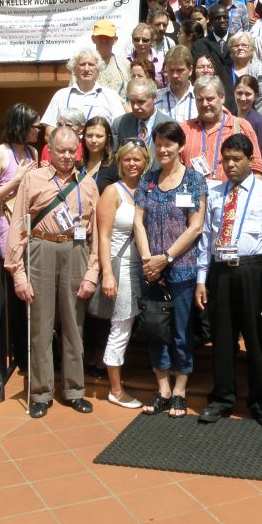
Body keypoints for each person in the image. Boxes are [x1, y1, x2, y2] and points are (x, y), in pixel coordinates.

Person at [5, 126, 101, 418]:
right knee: (41, 326)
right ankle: (40, 393)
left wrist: (92, 273)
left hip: (77, 251)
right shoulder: (33, 179)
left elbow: (97, 233)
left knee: (74, 326)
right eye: (62, 150)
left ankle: (74, 390)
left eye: (73, 151)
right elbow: (19, 227)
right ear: (51, 149)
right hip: (41, 249)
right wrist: (18, 273)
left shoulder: (88, 184)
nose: (67, 156)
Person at [195, 134, 262, 425]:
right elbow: (206, 238)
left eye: (236, 159)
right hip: (221, 272)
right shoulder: (215, 192)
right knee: (222, 338)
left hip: (252, 271)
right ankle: (221, 398)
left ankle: (261, 401)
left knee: (256, 338)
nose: (229, 165)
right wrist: (201, 280)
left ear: (250, 160)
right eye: (225, 159)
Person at [132, 121, 209, 418]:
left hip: (182, 269)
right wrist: (148, 259)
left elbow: (196, 226)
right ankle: (162, 387)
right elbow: (139, 221)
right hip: (151, 269)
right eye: (158, 143)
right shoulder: (148, 180)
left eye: (169, 144)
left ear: (180, 146)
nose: (163, 149)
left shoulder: (193, 180)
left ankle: (180, 390)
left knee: (180, 331)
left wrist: (166, 257)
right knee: (155, 330)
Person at [0, 103, 40, 375]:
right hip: (9, 227)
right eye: (34, 126)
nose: (38, 130)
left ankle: (34, 353)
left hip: (32, 227)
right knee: (16, 293)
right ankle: (22, 359)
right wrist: (15, 180)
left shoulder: (33, 152)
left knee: (33, 291)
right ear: (22, 125)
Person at [96, 140, 151, 409]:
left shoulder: (148, 189)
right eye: (127, 159)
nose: (132, 164)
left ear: (145, 162)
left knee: (132, 324)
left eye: (137, 159)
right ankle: (115, 390)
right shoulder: (112, 192)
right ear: (120, 162)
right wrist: (107, 273)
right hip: (122, 268)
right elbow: (103, 237)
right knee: (121, 326)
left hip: (143, 268)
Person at [180, 75, 262, 182]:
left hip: (232, 196)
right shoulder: (184, 129)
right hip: (194, 196)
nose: (205, 104)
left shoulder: (241, 127)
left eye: (210, 99)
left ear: (222, 97)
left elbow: (256, 170)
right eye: (200, 100)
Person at [41, 47, 127, 127]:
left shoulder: (111, 96)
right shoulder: (61, 95)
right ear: (74, 69)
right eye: (82, 64)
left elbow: (119, 128)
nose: (86, 69)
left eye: (91, 64)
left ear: (98, 69)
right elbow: (49, 129)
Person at [156, 46, 199, 122]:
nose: (174, 75)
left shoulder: (200, 97)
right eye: (171, 70)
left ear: (190, 70)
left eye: (179, 70)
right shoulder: (156, 98)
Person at [233, 74, 262, 162]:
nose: (243, 98)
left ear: (255, 96)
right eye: (239, 93)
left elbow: (261, 155)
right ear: (234, 92)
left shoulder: (259, 122)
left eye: (248, 94)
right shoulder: (230, 117)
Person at [79, 116, 117, 192]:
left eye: (99, 136)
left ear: (108, 138)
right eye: (89, 135)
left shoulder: (115, 167)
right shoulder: (77, 165)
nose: (93, 140)